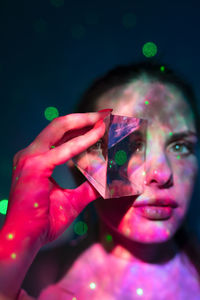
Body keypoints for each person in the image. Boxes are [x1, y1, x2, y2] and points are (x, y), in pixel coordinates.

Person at [0, 61, 200, 300]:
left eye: (180, 146)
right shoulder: (33, 281)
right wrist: (15, 249)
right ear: (79, 160)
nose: (162, 173)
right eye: (132, 145)